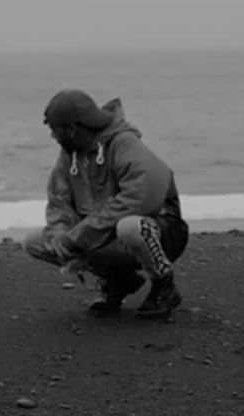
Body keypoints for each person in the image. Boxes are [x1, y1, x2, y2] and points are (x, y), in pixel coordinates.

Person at [22, 89, 189, 319]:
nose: (53, 137)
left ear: (71, 129)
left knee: (130, 226)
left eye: (54, 131)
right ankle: (118, 280)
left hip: (160, 232)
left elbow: (140, 198)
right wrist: (61, 236)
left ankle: (163, 285)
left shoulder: (124, 144)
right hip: (104, 235)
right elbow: (58, 200)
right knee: (36, 242)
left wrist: (79, 236)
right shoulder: (69, 155)